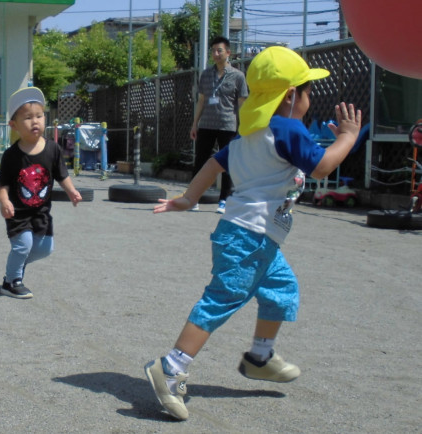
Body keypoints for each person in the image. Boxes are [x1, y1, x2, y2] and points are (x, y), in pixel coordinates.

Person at [145, 46, 362, 421]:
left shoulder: (252, 134)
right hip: (249, 237)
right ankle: (171, 367)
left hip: (256, 237)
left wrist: (188, 197)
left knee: (282, 291)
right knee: (222, 299)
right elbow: (323, 167)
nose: (310, 99)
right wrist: (348, 137)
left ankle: (260, 356)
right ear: (291, 95)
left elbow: (214, 163)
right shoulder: (288, 128)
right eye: (308, 91)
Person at [0, 87, 82, 299]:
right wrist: (4, 201)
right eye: (27, 118)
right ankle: (11, 281)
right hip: (18, 212)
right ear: (13, 125)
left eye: (39, 116)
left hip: (41, 211)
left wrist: (72, 191)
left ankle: (14, 268)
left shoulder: (53, 149)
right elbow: (3, 184)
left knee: (45, 249)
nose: (35, 121)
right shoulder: (11, 155)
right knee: (23, 245)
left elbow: (62, 175)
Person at [190, 36, 248, 213]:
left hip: (228, 125)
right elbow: (201, 100)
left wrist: (243, 126)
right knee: (200, 161)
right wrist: (195, 124)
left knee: (228, 163)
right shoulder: (206, 74)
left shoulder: (238, 76)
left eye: (219, 50)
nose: (215, 54)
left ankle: (224, 200)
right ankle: (193, 198)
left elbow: (241, 102)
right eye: (213, 51)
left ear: (228, 53)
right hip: (207, 123)